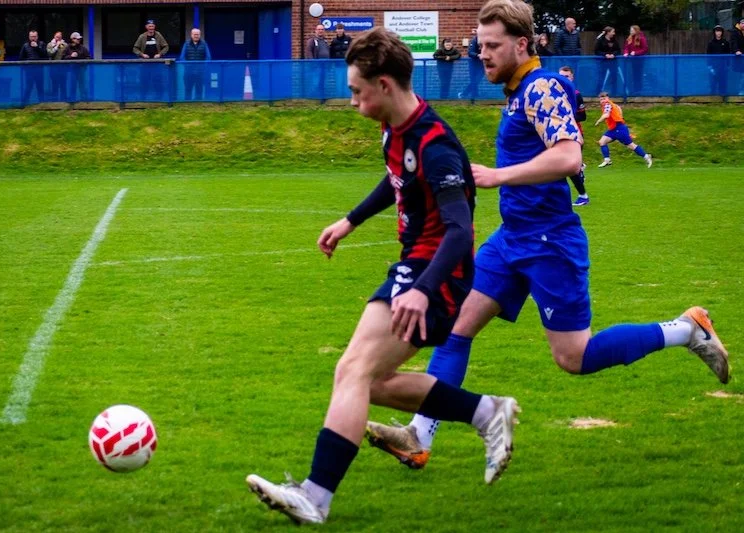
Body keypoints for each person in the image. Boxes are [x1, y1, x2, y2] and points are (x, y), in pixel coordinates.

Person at [365, 0, 728, 471]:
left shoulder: (541, 88)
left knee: (574, 357)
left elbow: (569, 157)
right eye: (479, 45)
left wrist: (497, 176)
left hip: (551, 242)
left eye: (492, 45)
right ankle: (419, 434)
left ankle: (687, 330)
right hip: (512, 238)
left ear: (522, 44)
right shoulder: (518, 92)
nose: (482, 54)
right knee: (457, 327)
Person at [245, 26, 520, 525]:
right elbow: (396, 179)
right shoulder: (396, 127)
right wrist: (350, 220)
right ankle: (486, 412)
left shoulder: (435, 145)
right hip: (417, 267)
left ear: (385, 85)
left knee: (352, 372)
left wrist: (423, 290)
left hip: (437, 274)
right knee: (372, 381)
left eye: (357, 91)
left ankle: (315, 496)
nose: (352, 101)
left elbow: (460, 230)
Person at [595, 92, 652, 167]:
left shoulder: (607, 104)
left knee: (631, 145)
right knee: (602, 141)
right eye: (601, 99)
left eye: (604, 99)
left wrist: (598, 121)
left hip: (619, 128)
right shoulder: (614, 105)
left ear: (608, 98)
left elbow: (606, 115)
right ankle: (607, 160)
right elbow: (620, 112)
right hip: (613, 129)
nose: (603, 101)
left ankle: (647, 157)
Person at [559, 66, 589, 206]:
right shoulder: (553, 93)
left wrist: (567, 118)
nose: (563, 79)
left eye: (566, 76)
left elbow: (583, 116)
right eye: (561, 76)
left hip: (574, 134)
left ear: (572, 78)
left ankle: (583, 195)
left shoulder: (576, 94)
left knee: (568, 166)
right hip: (558, 134)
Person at [133, 20, 169, 101]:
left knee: (157, 81)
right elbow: (135, 48)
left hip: (157, 63)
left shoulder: (158, 35)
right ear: (146, 27)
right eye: (149, 26)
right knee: (144, 81)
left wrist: (160, 54)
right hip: (145, 63)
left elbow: (166, 46)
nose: (151, 28)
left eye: (152, 26)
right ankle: (143, 98)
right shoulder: (142, 36)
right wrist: (142, 54)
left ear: (154, 27)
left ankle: (159, 98)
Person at [178, 28, 212, 101]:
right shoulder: (186, 44)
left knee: (199, 89)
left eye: (198, 34)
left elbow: (208, 57)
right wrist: (188, 66)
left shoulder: (204, 43)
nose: (196, 36)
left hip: (200, 72)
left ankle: (198, 103)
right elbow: (182, 57)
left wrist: (203, 66)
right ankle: (187, 103)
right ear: (191, 35)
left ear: (200, 35)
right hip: (188, 72)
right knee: (188, 89)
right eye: (195, 34)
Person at [19, 30, 48, 105]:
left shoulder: (41, 44)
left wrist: (37, 47)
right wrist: (27, 64)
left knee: (40, 87)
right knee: (28, 87)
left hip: (39, 69)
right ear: (29, 37)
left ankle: (42, 104)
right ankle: (24, 104)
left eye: (34, 36)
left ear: (37, 37)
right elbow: (21, 58)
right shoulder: (25, 45)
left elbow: (46, 56)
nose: (33, 38)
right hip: (29, 70)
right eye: (31, 36)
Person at [62, 32, 91, 102]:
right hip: (72, 70)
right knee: (73, 85)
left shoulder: (83, 48)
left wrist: (83, 62)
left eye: (79, 39)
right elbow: (62, 58)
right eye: (77, 39)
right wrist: (71, 56)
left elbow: (89, 57)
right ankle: (72, 100)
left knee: (82, 85)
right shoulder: (67, 48)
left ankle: (84, 100)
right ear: (72, 39)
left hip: (81, 69)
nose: (79, 40)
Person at [595, 26, 622, 96]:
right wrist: (605, 55)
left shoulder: (614, 40)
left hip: (613, 62)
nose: (614, 33)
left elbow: (618, 50)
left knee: (614, 77)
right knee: (601, 77)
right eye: (613, 32)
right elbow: (597, 51)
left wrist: (613, 54)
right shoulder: (600, 40)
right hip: (603, 62)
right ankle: (598, 92)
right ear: (608, 32)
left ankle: (614, 93)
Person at [306, 24, 331, 99]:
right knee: (315, 82)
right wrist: (313, 63)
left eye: (322, 29)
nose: (320, 31)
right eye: (319, 29)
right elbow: (309, 52)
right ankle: (314, 98)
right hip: (316, 67)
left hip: (325, 66)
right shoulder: (312, 41)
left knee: (323, 82)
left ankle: (322, 97)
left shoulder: (325, 41)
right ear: (316, 31)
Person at [623, 25, 648, 96]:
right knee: (633, 75)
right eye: (630, 30)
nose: (630, 31)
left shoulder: (641, 38)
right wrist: (626, 53)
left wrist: (636, 53)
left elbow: (645, 49)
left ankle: (638, 91)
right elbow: (626, 47)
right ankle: (634, 90)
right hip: (631, 60)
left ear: (636, 31)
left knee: (638, 75)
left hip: (639, 60)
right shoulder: (629, 38)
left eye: (632, 30)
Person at [329, 23, 353, 97]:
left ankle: (347, 95)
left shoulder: (348, 39)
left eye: (341, 29)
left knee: (347, 80)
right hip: (338, 66)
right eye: (338, 29)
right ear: (336, 30)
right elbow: (331, 53)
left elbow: (352, 50)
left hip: (347, 65)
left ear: (343, 30)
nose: (339, 30)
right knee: (338, 80)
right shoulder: (334, 41)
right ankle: (339, 95)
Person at [707, 25, 731, 96]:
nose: (718, 33)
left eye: (720, 31)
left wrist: (728, 65)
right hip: (714, 66)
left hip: (723, 66)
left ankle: (723, 97)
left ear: (722, 32)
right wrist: (709, 66)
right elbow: (708, 55)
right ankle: (712, 97)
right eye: (717, 31)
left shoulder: (726, 43)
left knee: (723, 82)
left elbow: (728, 54)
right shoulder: (711, 43)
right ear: (714, 32)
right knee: (713, 82)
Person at [459, 29, 483, 100]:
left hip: (481, 65)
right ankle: (469, 95)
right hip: (473, 65)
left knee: (477, 80)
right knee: (474, 81)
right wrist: (477, 55)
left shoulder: (485, 41)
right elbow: (470, 53)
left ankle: (466, 94)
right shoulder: (474, 41)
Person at [46, 31, 68, 101]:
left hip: (62, 69)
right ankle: (54, 100)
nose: (58, 38)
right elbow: (50, 54)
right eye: (57, 37)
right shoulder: (49, 44)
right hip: (53, 68)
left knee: (63, 85)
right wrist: (56, 46)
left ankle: (64, 100)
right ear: (54, 36)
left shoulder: (65, 45)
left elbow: (66, 55)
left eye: (60, 37)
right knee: (54, 85)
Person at [731, 19, 744, 95]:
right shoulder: (735, 32)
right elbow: (733, 42)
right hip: (738, 57)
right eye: (742, 23)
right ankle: (740, 91)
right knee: (740, 75)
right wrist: (736, 50)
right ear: (739, 24)